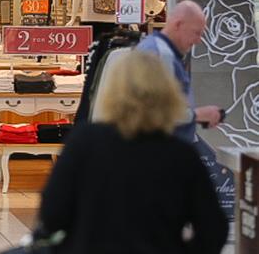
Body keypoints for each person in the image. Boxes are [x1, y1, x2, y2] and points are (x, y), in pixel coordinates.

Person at [39, 50, 228, 254]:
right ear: (169, 94)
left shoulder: (85, 142)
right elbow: (214, 228)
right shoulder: (181, 154)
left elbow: (52, 214)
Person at [137, 0, 223, 142]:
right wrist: (199, 115)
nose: (198, 41)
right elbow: (158, 113)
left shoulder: (151, 47)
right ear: (178, 24)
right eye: (196, 33)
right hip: (163, 149)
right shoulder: (163, 55)